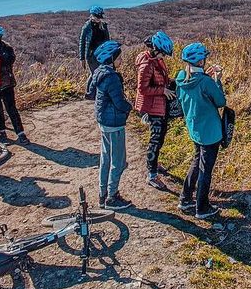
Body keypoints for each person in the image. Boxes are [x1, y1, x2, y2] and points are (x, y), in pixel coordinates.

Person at [176, 42, 226, 220]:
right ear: (200, 61)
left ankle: (185, 198)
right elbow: (220, 101)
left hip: (194, 127)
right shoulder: (205, 81)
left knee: (197, 161)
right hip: (210, 131)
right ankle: (202, 207)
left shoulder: (181, 77)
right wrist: (217, 80)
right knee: (206, 169)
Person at [85, 40, 132, 210]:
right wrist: (130, 107)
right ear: (111, 58)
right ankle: (112, 197)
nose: (120, 60)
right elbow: (119, 102)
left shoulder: (98, 72)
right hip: (114, 122)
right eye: (118, 57)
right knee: (118, 161)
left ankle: (102, 194)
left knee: (105, 158)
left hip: (103, 121)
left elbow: (89, 92)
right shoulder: (112, 77)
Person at [135, 30, 175, 189]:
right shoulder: (146, 65)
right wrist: (162, 91)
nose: (164, 57)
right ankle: (151, 175)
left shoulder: (156, 61)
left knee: (160, 136)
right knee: (155, 139)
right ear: (156, 50)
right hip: (152, 107)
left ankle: (155, 163)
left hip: (159, 105)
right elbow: (143, 89)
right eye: (163, 54)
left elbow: (161, 79)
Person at [79, 6, 111, 73]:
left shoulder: (104, 25)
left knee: (104, 73)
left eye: (100, 17)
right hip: (92, 55)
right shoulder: (87, 27)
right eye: (97, 17)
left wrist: (110, 52)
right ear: (92, 16)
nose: (99, 19)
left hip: (103, 53)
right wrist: (82, 58)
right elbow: (82, 43)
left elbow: (108, 40)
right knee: (95, 74)